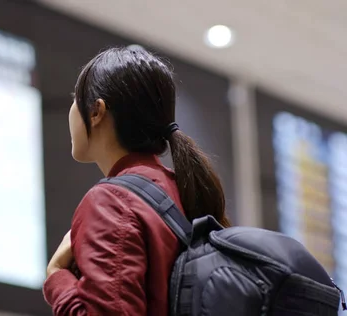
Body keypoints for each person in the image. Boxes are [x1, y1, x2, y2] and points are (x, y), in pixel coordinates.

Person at [42, 45, 231, 315]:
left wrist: (57, 276)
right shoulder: (183, 191)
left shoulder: (110, 201)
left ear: (96, 112)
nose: (70, 109)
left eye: (76, 97)